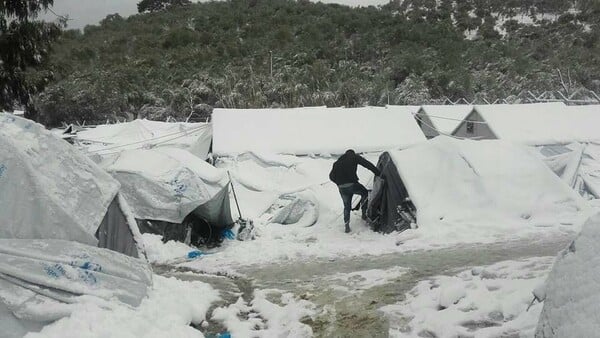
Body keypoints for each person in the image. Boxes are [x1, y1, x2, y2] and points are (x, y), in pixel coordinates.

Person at [329, 149, 380, 233]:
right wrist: (377, 172)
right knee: (364, 193)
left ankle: (347, 226)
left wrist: (339, 183)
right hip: (352, 185)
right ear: (353, 153)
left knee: (347, 206)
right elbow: (367, 164)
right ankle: (364, 214)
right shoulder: (354, 157)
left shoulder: (337, 162)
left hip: (342, 188)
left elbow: (331, 177)